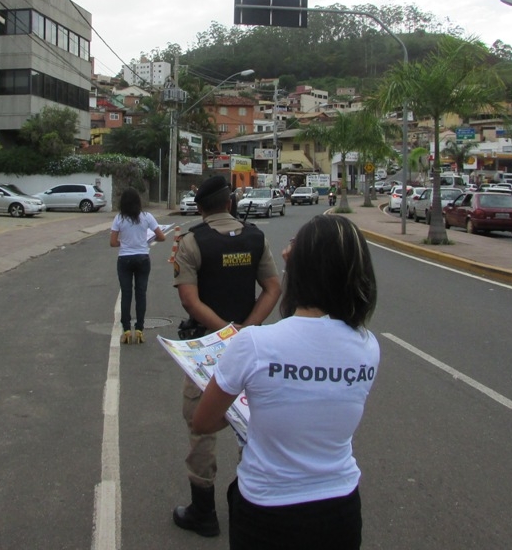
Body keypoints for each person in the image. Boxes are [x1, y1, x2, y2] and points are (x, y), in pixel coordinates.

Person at [191, 214, 380, 549]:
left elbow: (203, 421)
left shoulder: (254, 343)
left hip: (267, 508)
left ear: (301, 269)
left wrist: (251, 410)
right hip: (340, 507)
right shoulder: (367, 345)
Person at [172, 175, 282, 538]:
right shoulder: (256, 238)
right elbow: (273, 288)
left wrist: (224, 333)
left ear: (201, 208)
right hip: (252, 350)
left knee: (200, 427)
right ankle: (250, 503)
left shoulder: (191, 242)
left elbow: (190, 300)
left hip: (207, 352)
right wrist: (246, 330)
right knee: (251, 423)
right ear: (230, 202)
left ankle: (203, 513)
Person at [109, 188, 166, 344]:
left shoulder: (119, 218)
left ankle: (126, 330)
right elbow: (161, 237)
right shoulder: (147, 217)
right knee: (141, 293)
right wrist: (145, 241)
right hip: (142, 258)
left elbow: (113, 242)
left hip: (124, 259)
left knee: (126, 294)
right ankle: (140, 329)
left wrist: (125, 243)